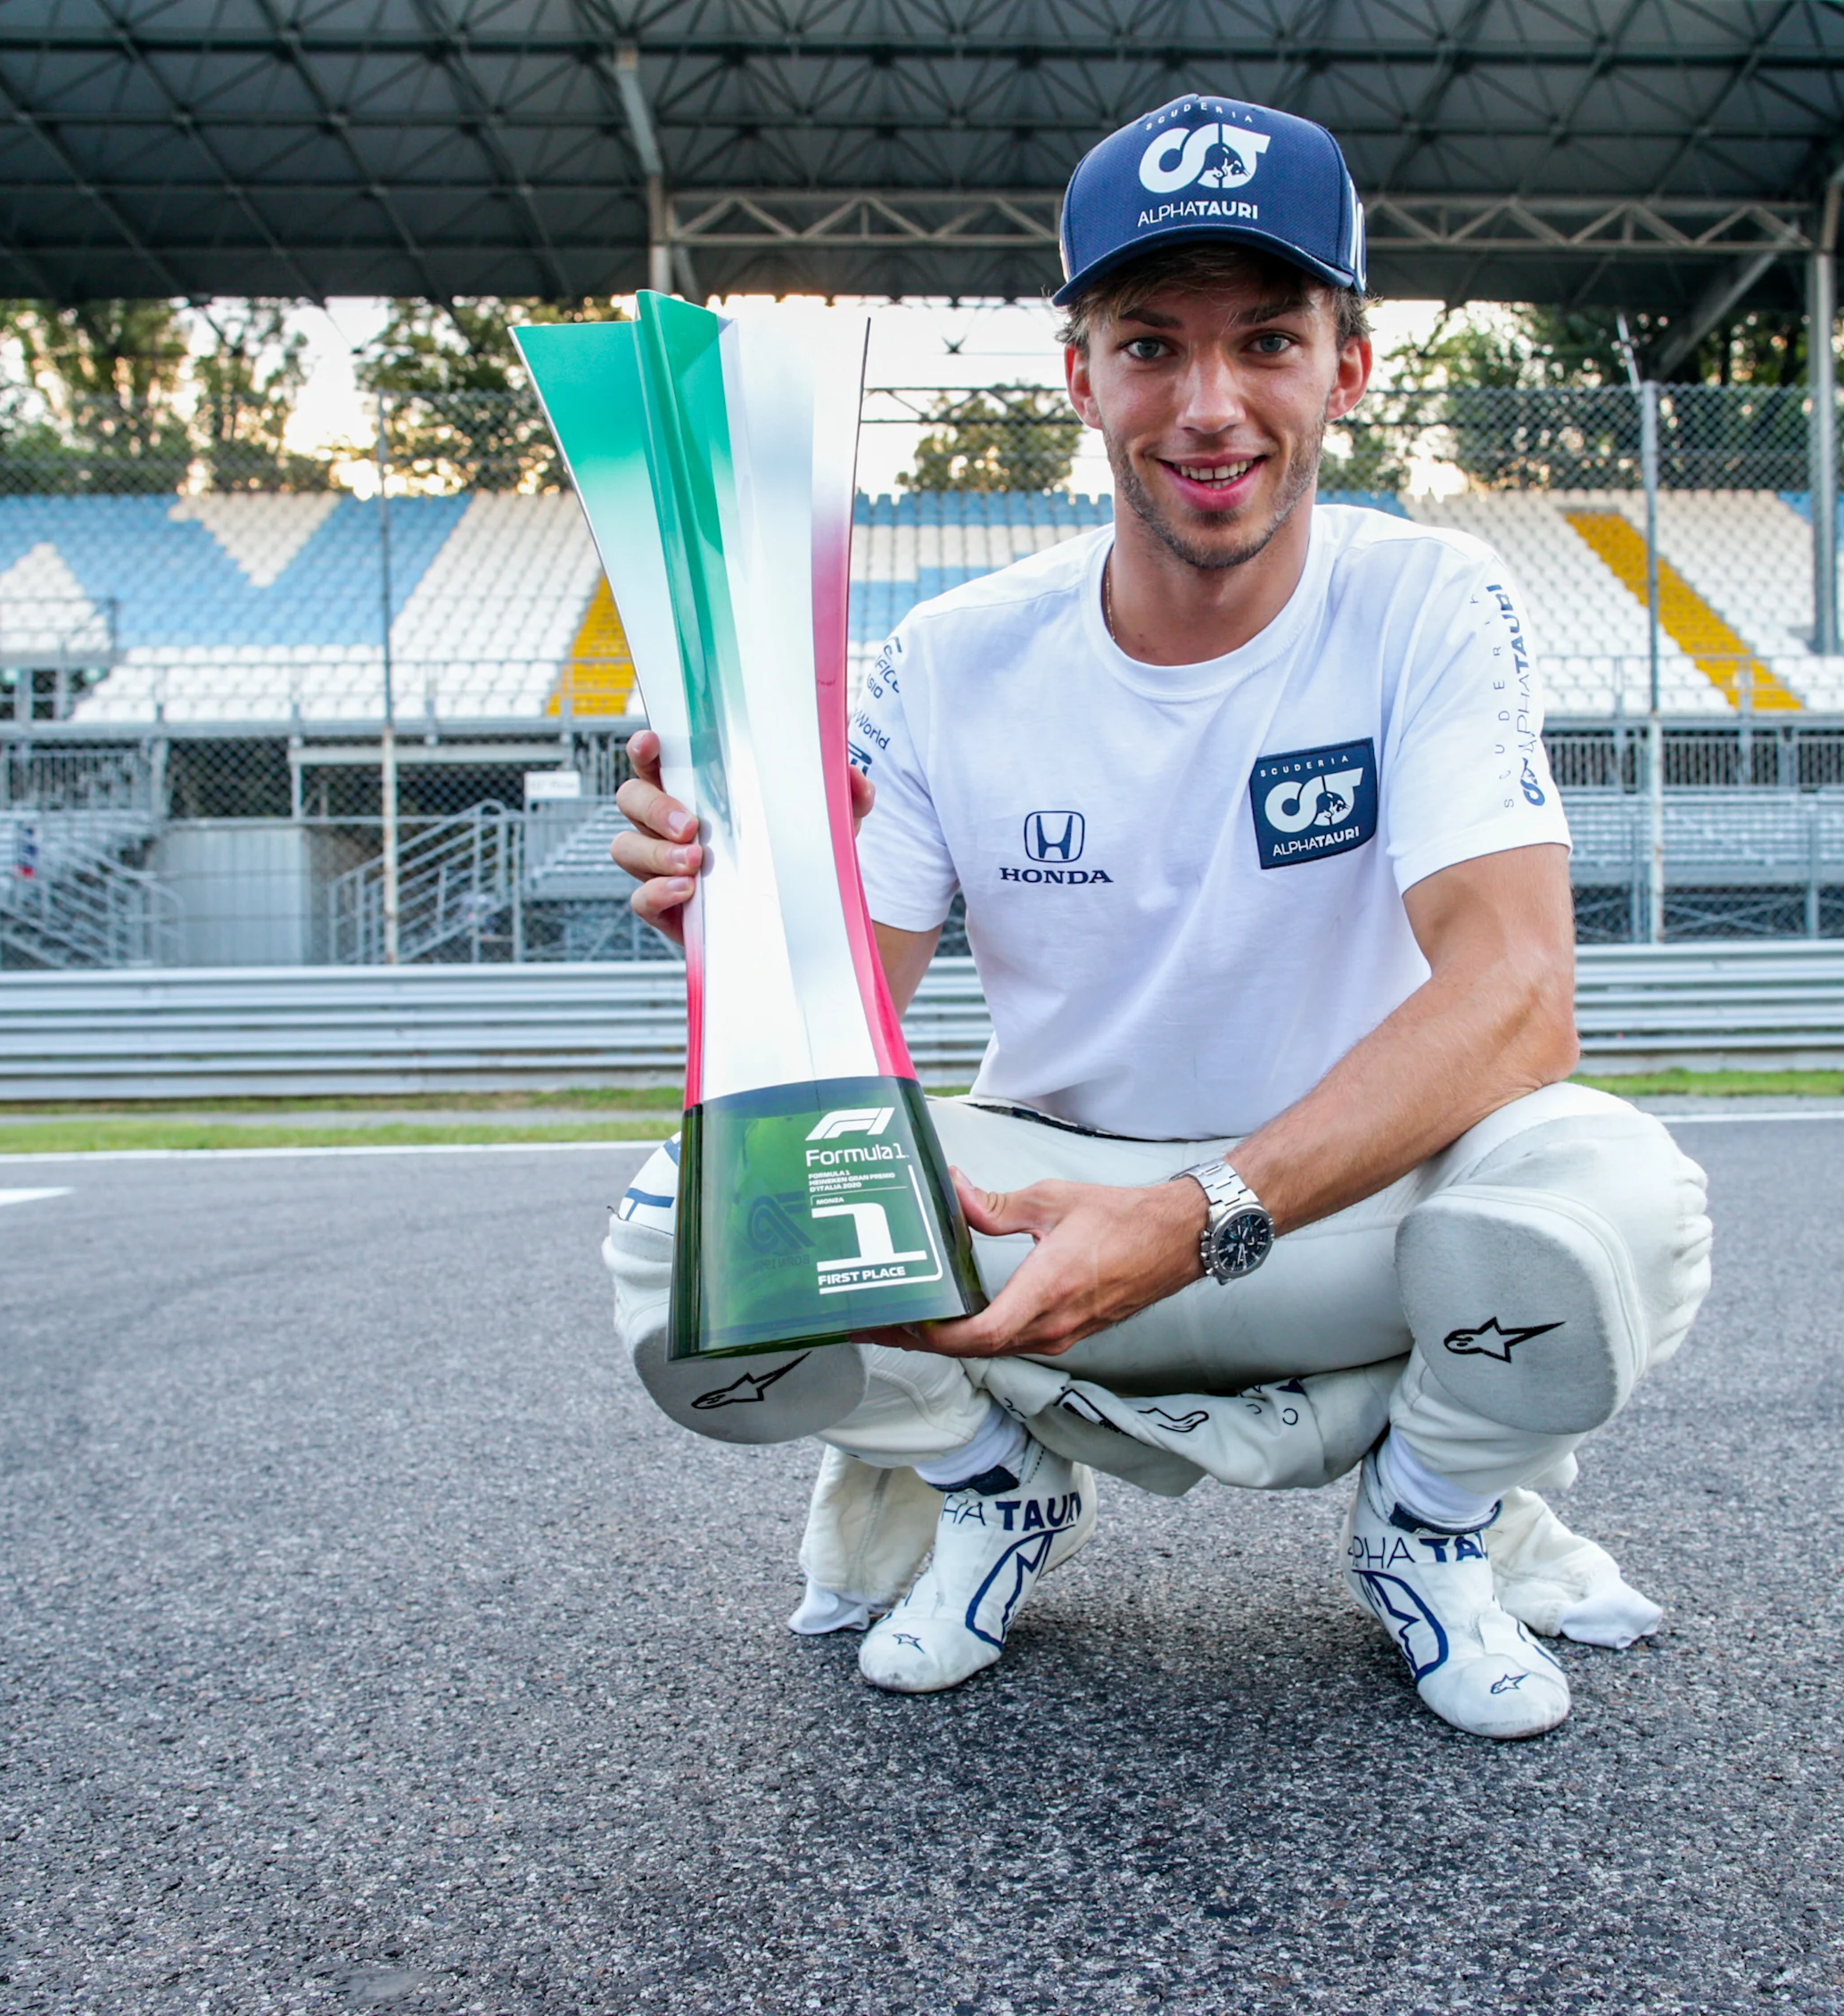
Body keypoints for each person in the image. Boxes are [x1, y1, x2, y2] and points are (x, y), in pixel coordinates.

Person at [603, 94, 1714, 1740]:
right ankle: (989, 1486)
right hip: (1044, 1203)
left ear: (1346, 365)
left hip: (1343, 1216)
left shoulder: (1429, 600)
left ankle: (1432, 1524)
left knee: (1609, 1205)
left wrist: (1202, 1213)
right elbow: (852, 1027)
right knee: (680, 1235)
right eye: (1148, 343)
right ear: (1081, 375)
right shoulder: (950, 655)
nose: (1209, 406)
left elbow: (1518, 995)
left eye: (1267, 338)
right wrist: (748, 915)